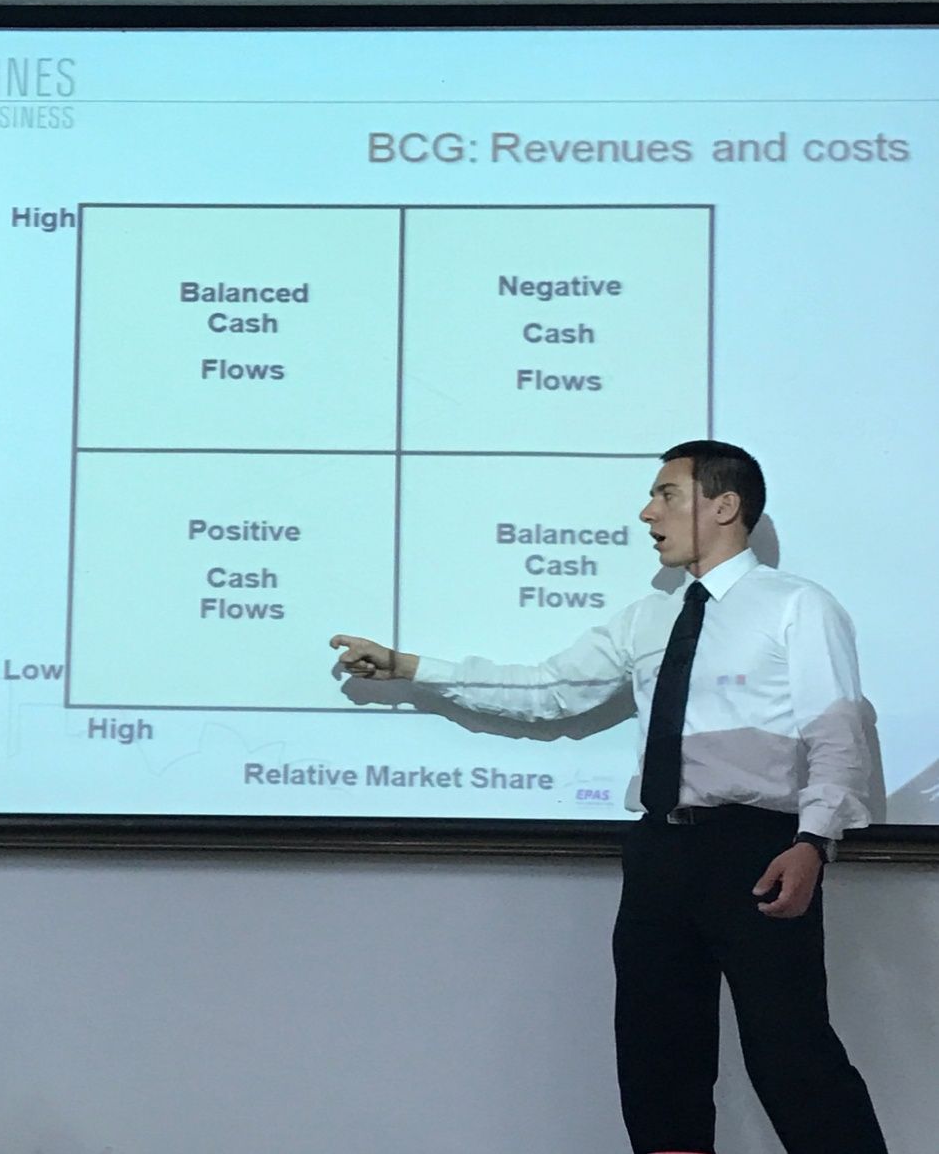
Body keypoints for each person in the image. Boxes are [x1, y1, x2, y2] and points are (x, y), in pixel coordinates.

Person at [331, 440, 887, 1154]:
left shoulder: (798, 606)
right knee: (658, 1057)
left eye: (666, 494)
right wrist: (413, 667)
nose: (647, 513)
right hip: (660, 849)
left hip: (757, 847)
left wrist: (813, 840)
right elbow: (548, 689)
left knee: (791, 1052)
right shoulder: (647, 618)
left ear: (725, 505)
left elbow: (838, 731)